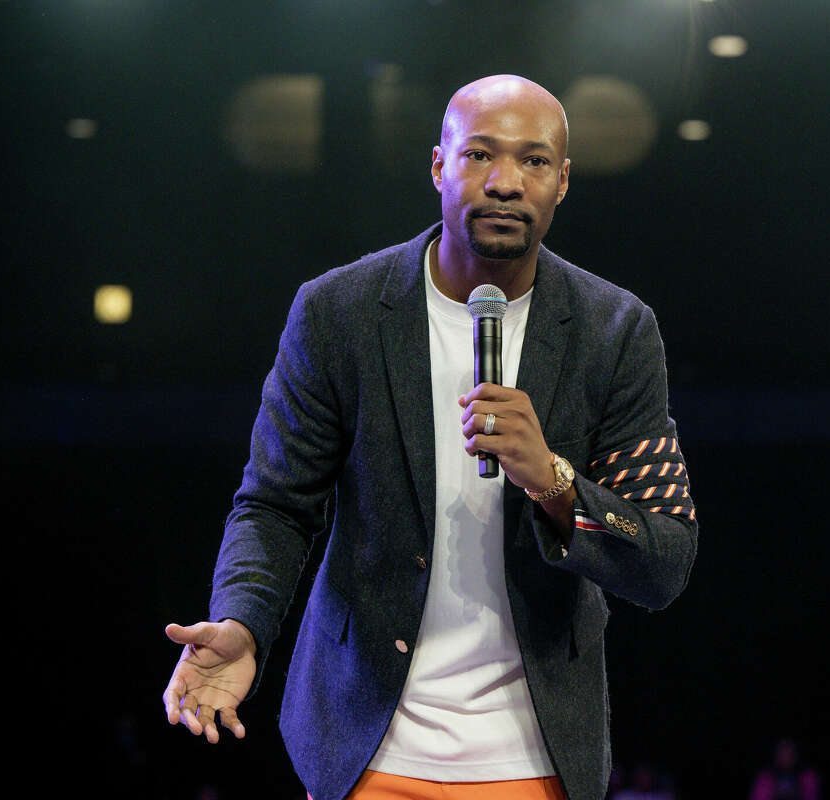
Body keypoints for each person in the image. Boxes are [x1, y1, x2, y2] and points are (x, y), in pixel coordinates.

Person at [162, 74, 698, 800]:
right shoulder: (338, 313)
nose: (505, 182)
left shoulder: (615, 331)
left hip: (534, 758)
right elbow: (277, 505)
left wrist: (553, 480)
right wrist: (244, 622)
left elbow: (662, 560)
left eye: (534, 161)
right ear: (439, 166)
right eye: (480, 155)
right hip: (366, 746)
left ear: (563, 181)